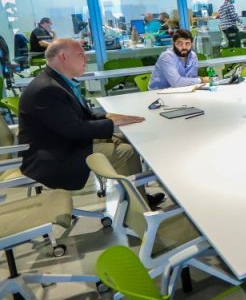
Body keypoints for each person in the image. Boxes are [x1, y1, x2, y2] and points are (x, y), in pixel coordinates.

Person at [17, 39, 164, 205]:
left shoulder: (58, 82)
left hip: (64, 143)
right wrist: (113, 124)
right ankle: (136, 206)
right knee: (126, 152)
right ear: (63, 57)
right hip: (54, 155)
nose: (86, 59)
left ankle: (138, 197)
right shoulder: (47, 89)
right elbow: (76, 130)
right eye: (81, 55)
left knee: (129, 139)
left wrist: (109, 116)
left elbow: (81, 116)